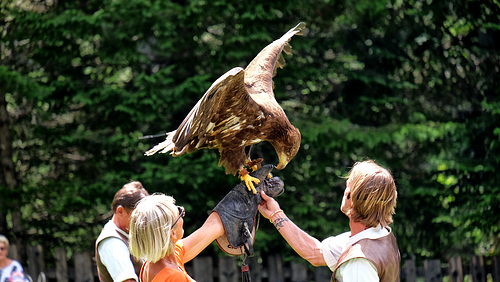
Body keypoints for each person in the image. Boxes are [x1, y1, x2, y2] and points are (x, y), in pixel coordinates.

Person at [258, 160, 400, 282]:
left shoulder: (359, 262)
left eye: (348, 186)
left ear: (353, 198)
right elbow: (315, 252)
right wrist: (275, 214)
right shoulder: (379, 234)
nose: (344, 190)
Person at [129, 194, 224, 282]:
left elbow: (211, 228)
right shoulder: (175, 277)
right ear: (172, 233)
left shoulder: (152, 262)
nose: (182, 216)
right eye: (180, 214)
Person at [96, 181, 150, 282]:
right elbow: (127, 280)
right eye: (139, 216)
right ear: (120, 211)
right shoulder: (111, 240)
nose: (144, 221)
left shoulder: (128, 234)